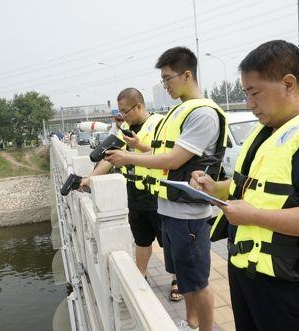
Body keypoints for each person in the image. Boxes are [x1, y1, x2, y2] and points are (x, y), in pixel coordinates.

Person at [191, 40, 299, 331]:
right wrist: (214, 188)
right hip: (247, 274)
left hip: (295, 287)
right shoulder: (266, 133)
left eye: (254, 93)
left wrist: (254, 216)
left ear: (288, 83)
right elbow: (256, 189)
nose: (249, 103)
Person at [106, 47, 228, 331]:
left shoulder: (203, 114)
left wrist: (127, 157)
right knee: (184, 277)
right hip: (168, 209)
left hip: (188, 215)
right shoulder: (177, 112)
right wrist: (138, 147)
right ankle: (191, 322)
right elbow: (163, 150)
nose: (165, 85)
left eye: (167, 78)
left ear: (187, 74)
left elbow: (175, 160)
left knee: (198, 281)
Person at [79, 88, 177, 294]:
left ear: (139, 106)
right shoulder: (124, 127)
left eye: (125, 111)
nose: (123, 116)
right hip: (134, 193)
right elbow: (112, 158)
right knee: (141, 239)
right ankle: (141, 275)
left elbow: (169, 157)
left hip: (156, 194)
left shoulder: (159, 124)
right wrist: (91, 179)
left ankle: (177, 279)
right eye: (121, 112)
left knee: (168, 241)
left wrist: (140, 146)